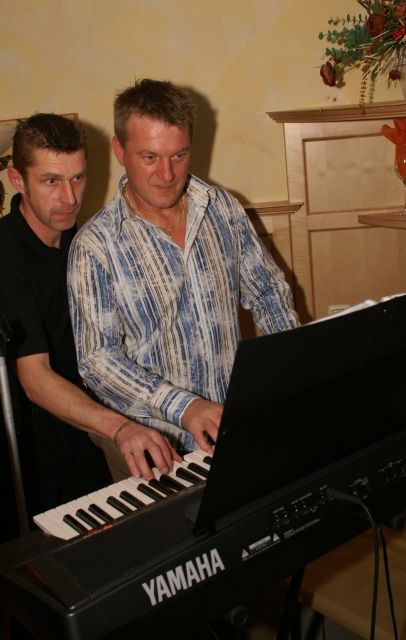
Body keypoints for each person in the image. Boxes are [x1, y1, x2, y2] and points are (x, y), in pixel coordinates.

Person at [67, 79, 299, 478]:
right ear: (120, 151)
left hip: (236, 426)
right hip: (158, 450)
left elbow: (267, 292)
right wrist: (184, 407)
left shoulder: (222, 207)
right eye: (150, 157)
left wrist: (291, 367)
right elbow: (97, 360)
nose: (167, 174)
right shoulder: (95, 246)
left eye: (179, 155)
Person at [0, 113, 179, 517]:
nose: (69, 197)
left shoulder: (81, 240)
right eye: (51, 181)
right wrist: (121, 428)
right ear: (17, 180)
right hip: (31, 452)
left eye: (77, 178)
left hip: (87, 429)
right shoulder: (6, 254)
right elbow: (34, 378)